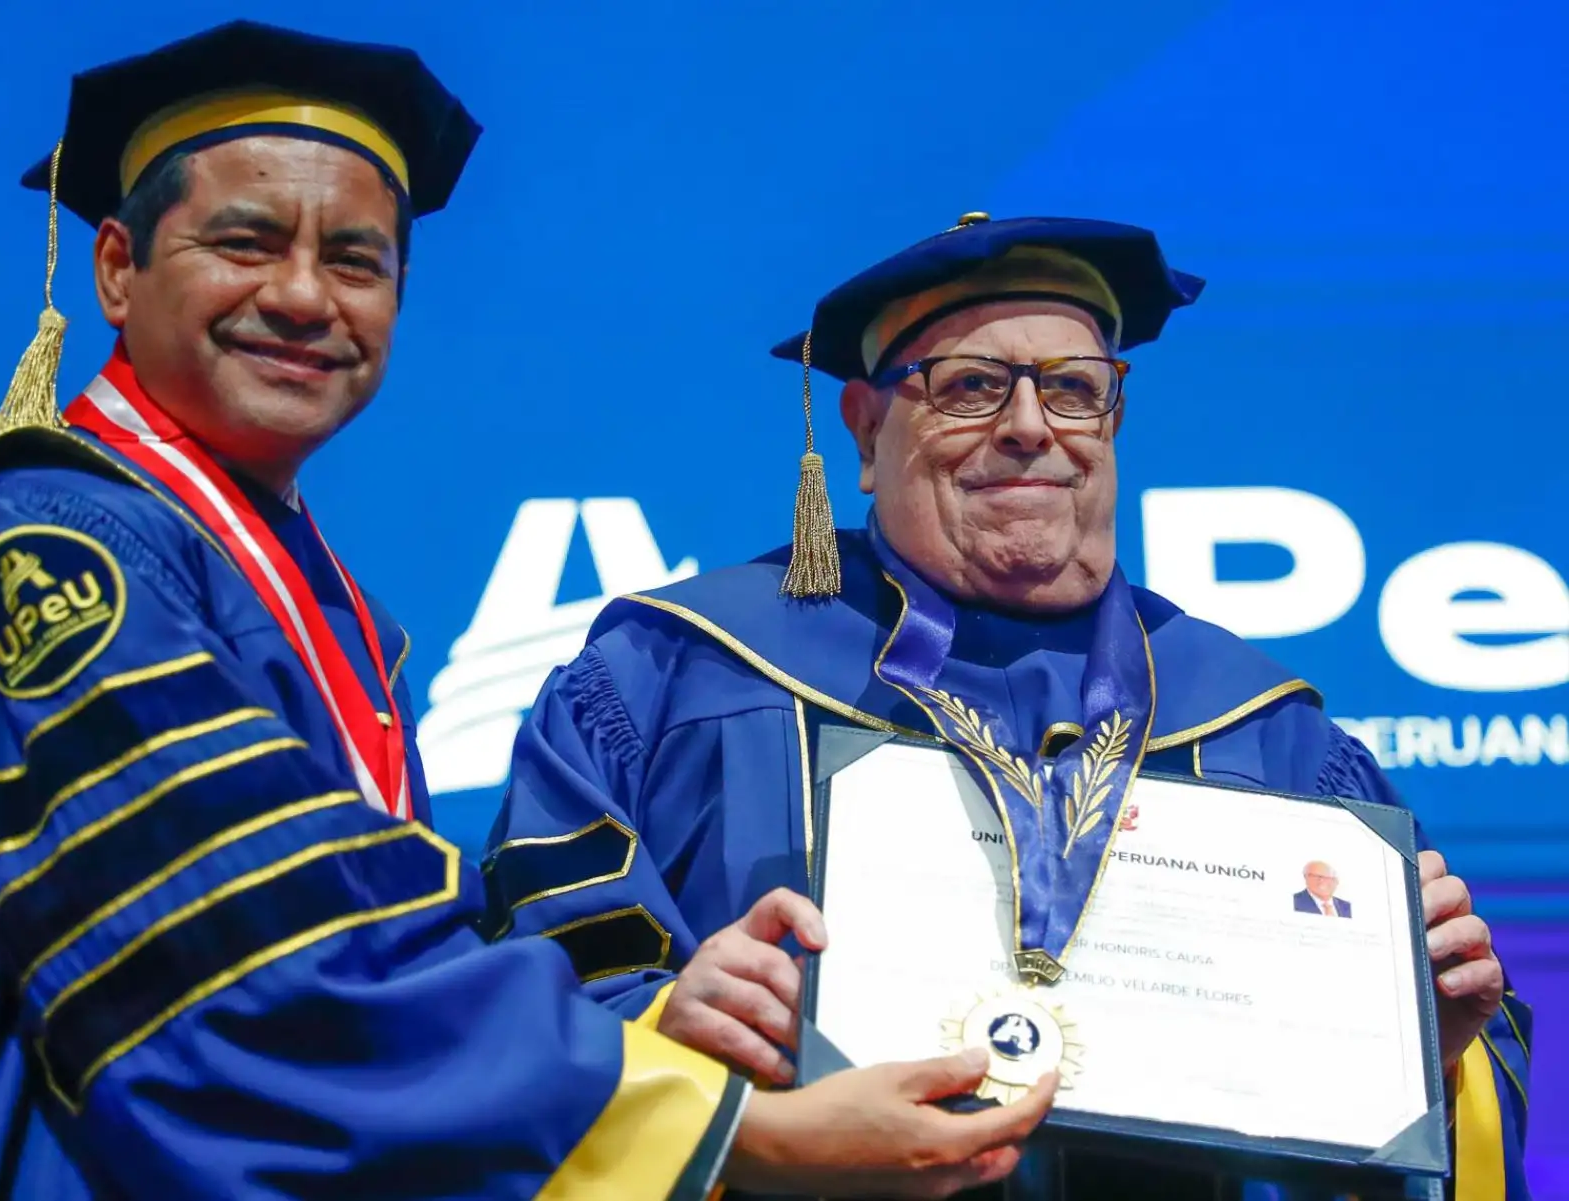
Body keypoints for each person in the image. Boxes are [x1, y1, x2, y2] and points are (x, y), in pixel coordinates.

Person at [0, 30, 1059, 1199]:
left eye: (355, 260)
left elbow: (359, 955)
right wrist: (733, 1129)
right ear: (116, 267)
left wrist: (646, 1034)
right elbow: (245, 973)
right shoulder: (62, 543)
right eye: (243, 241)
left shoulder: (306, 592)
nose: (302, 296)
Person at [485, 213, 1533, 1198]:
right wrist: (671, 1022)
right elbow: (509, 1011)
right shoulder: (670, 681)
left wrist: (1422, 1055)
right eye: (972, 384)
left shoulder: (1269, 733)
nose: (1032, 427)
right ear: (863, 426)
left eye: (1074, 389)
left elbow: (1444, 1120)